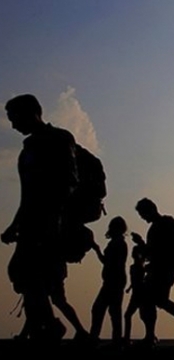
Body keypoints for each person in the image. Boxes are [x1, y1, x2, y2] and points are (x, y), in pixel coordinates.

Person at [1, 94, 77, 345]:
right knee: (24, 275)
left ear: (33, 112)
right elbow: (28, 193)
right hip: (32, 222)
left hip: (50, 223)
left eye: (14, 118)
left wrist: (54, 220)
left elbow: (68, 183)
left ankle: (48, 328)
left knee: (33, 276)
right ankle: (46, 327)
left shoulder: (59, 139)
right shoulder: (28, 148)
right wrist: (16, 224)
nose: (12, 125)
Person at [133, 198, 174, 349]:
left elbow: (158, 251)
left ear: (150, 210)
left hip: (163, 269)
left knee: (154, 300)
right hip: (164, 269)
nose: (143, 218)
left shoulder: (161, 226)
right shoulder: (167, 224)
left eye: (143, 214)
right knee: (156, 300)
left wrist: (141, 245)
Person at [89, 216, 128, 348]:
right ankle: (114, 339)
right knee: (112, 310)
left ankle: (96, 337)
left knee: (100, 308)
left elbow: (107, 262)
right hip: (115, 280)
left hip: (113, 281)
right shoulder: (118, 243)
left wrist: (97, 249)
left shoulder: (117, 244)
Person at [123, 240, 147, 345]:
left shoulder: (140, 267)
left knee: (134, 315)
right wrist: (129, 287)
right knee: (130, 315)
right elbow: (135, 280)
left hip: (139, 294)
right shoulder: (134, 266)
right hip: (136, 293)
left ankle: (128, 337)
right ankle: (127, 337)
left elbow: (139, 280)